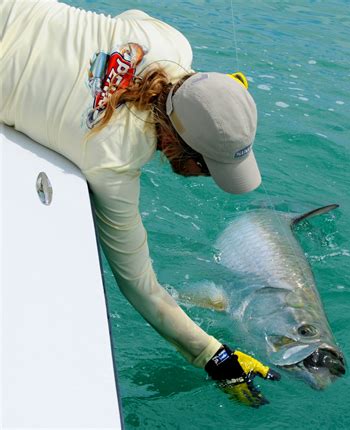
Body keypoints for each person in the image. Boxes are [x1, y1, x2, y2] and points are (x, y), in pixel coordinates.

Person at [1, 0, 280, 407]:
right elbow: (140, 287)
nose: (204, 176)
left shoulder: (171, 42)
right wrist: (212, 355)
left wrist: (210, 97)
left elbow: (129, 19)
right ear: (175, 144)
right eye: (207, 167)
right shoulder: (113, 161)